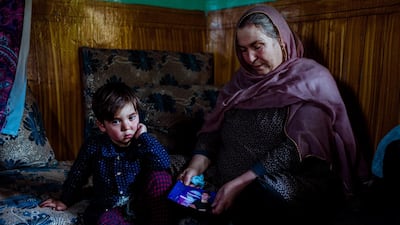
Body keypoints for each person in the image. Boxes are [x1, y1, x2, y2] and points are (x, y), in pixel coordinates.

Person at [178, 5, 369, 225]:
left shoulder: (311, 80)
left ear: (280, 40)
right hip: (225, 181)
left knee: (266, 194)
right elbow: (213, 132)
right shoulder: (240, 83)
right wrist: (196, 165)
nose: (249, 58)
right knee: (173, 183)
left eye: (257, 46)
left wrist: (240, 183)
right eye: (242, 49)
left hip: (280, 182)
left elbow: (293, 149)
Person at [40, 82, 173, 225]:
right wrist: (64, 200)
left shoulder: (143, 142)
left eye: (131, 117)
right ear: (102, 125)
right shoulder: (94, 146)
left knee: (161, 178)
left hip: (140, 202)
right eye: (116, 121)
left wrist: (144, 137)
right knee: (104, 221)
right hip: (111, 206)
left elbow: (164, 163)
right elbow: (77, 175)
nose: (127, 127)